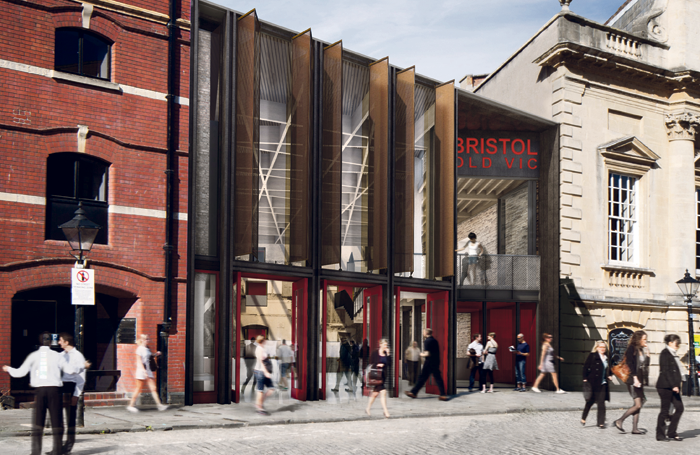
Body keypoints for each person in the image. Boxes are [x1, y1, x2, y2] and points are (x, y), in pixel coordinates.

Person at [2, 332, 82, 455]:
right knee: (57, 421)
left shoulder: (33, 356)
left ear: (39, 342)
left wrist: (9, 369)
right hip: (55, 390)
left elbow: (20, 372)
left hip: (40, 390)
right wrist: (82, 366)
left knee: (38, 421)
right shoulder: (57, 356)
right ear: (50, 342)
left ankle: (36, 451)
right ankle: (57, 450)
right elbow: (71, 370)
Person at [58, 333, 90, 454]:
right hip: (60, 386)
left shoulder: (78, 356)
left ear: (66, 342)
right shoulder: (60, 355)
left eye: (61, 340)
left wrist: (76, 394)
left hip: (71, 387)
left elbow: (81, 377)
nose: (59, 342)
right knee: (58, 418)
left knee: (70, 418)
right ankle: (58, 444)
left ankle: (68, 445)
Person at [614, 330, 648, 435]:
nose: (646, 341)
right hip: (633, 380)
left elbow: (645, 366)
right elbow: (630, 363)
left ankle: (634, 428)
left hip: (640, 380)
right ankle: (619, 420)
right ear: (639, 339)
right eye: (644, 339)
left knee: (639, 404)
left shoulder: (641, 349)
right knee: (637, 405)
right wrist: (635, 377)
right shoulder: (631, 349)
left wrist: (649, 355)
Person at [126, 334, 168, 412]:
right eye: (147, 339)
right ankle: (131, 405)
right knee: (138, 388)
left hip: (148, 370)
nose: (148, 340)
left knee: (153, 388)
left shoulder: (147, 349)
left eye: (148, 339)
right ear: (142, 340)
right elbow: (139, 361)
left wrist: (156, 354)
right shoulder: (139, 349)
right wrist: (144, 371)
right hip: (141, 371)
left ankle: (159, 405)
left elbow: (149, 358)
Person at [656, 334, 685, 442]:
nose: (678, 344)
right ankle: (660, 435)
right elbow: (666, 371)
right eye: (676, 342)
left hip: (672, 387)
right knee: (664, 411)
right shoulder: (665, 353)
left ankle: (671, 432)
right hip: (665, 387)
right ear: (670, 343)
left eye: (678, 342)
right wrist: (674, 385)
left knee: (680, 408)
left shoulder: (673, 354)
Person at [404, 328, 448, 400]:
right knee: (438, 378)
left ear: (426, 333)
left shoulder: (427, 341)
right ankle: (443, 394)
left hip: (429, 362)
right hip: (436, 362)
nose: (423, 333)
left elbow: (427, 353)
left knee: (422, 377)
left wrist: (421, 354)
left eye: (423, 332)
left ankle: (413, 393)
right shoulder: (435, 341)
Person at [581, 340, 612, 429]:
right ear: (597, 348)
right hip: (593, 382)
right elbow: (585, 367)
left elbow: (609, 369)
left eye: (604, 347)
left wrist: (609, 375)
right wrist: (585, 379)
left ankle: (601, 422)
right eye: (600, 347)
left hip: (603, 383)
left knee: (601, 403)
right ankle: (583, 417)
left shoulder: (607, 358)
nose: (602, 349)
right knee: (590, 402)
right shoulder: (592, 356)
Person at [365, 339, 391, 418]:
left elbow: (390, 364)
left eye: (386, 345)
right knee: (383, 391)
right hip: (376, 376)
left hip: (383, 376)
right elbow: (371, 362)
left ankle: (368, 408)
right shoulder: (375, 353)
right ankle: (385, 411)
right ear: (380, 345)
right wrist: (378, 364)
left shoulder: (386, 353)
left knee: (375, 393)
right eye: (384, 345)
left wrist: (389, 354)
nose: (385, 346)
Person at [254, 335, 275, 415]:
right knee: (260, 391)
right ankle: (260, 407)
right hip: (260, 372)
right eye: (265, 339)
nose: (266, 341)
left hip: (262, 372)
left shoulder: (262, 348)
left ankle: (259, 404)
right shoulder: (259, 349)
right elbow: (260, 362)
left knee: (271, 389)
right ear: (262, 340)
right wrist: (266, 372)